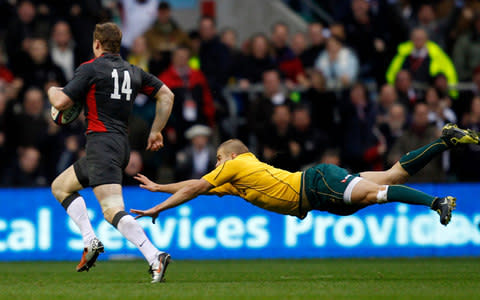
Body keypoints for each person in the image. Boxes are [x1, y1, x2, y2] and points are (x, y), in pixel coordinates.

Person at [131, 124, 479, 228]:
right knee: (391, 176)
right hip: (321, 196)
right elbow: (197, 189)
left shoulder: (235, 165)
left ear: (231, 156)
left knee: (380, 192)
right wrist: (161, 186)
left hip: (316, 183)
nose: (217, 165)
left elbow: (196, 186)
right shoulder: (240, 180)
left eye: (219, 159)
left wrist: (159, 207)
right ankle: (445, 140)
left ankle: (437, 203)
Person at [47, 23, 174, 283]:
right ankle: (90, 240)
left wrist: (52, 90)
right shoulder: (134, 71)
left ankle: (154, 256)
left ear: (97, 43)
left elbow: (60, 103)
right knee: (60, 186)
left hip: (101, 145)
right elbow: (167, 95)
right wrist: (156, 130)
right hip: (118, 146)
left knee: (112, 210)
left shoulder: (91, 68)